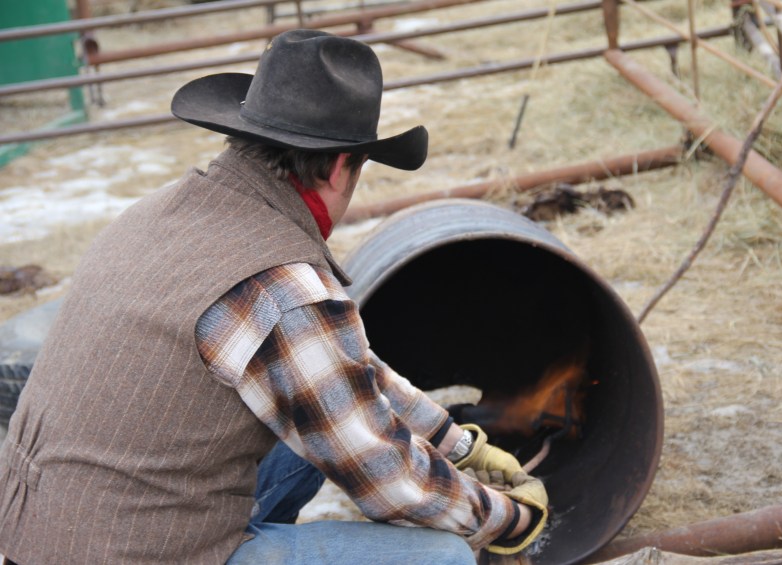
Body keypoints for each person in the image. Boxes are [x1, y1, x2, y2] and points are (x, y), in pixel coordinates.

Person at [0, 29, 548, 564]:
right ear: (341, 166)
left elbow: (338, 374)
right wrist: (512, 519)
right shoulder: (279, 285)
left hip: (38, 530)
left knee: (318, 416)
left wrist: (457, 444)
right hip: (134, 551)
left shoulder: (154, 214)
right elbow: (396, 487)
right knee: (443, 556)